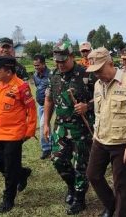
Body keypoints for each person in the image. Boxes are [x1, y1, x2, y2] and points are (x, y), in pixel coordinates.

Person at [86, 47, 126, 217]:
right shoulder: (98, 84)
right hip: (101, 139)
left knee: (121, 185)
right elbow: (99, 112)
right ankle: (111, 206)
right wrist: (96, 133)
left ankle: (121, 213)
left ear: (110, 63)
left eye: (99, 70)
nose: (96, 74)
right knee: (93, 175)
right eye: (94, 71)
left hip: (122, 143)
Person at [0, 56, 37, 213]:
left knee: (10, 168)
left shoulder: (21, 87)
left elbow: (31, 110)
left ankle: (8, 199)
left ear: (8, 71)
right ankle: (22, 173)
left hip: (14, 134)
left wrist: (29, 131)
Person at [44, 40, 95, 215]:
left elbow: (103, 97)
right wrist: (45, 123)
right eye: (57, 61)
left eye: (63, 61)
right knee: (58, 160)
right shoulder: (54, 75)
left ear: (72, 57)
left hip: (82, 129)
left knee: (81, 165)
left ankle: (80, 199)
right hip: (61, 127)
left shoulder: (87, 74)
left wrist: (87, 106)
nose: (60, 64)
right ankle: (72, 187)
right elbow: (49, 99)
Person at [33, 54, 51, 159]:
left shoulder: (51, 75)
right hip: (40, 104)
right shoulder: (35, 75)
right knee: (47, 126)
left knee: (43, 124)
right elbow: (37, 87)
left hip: (48, 104)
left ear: (44, 64)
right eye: (34, 66)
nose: (36, 67)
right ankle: (51, 146)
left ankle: (46, 149)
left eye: (38, 65)